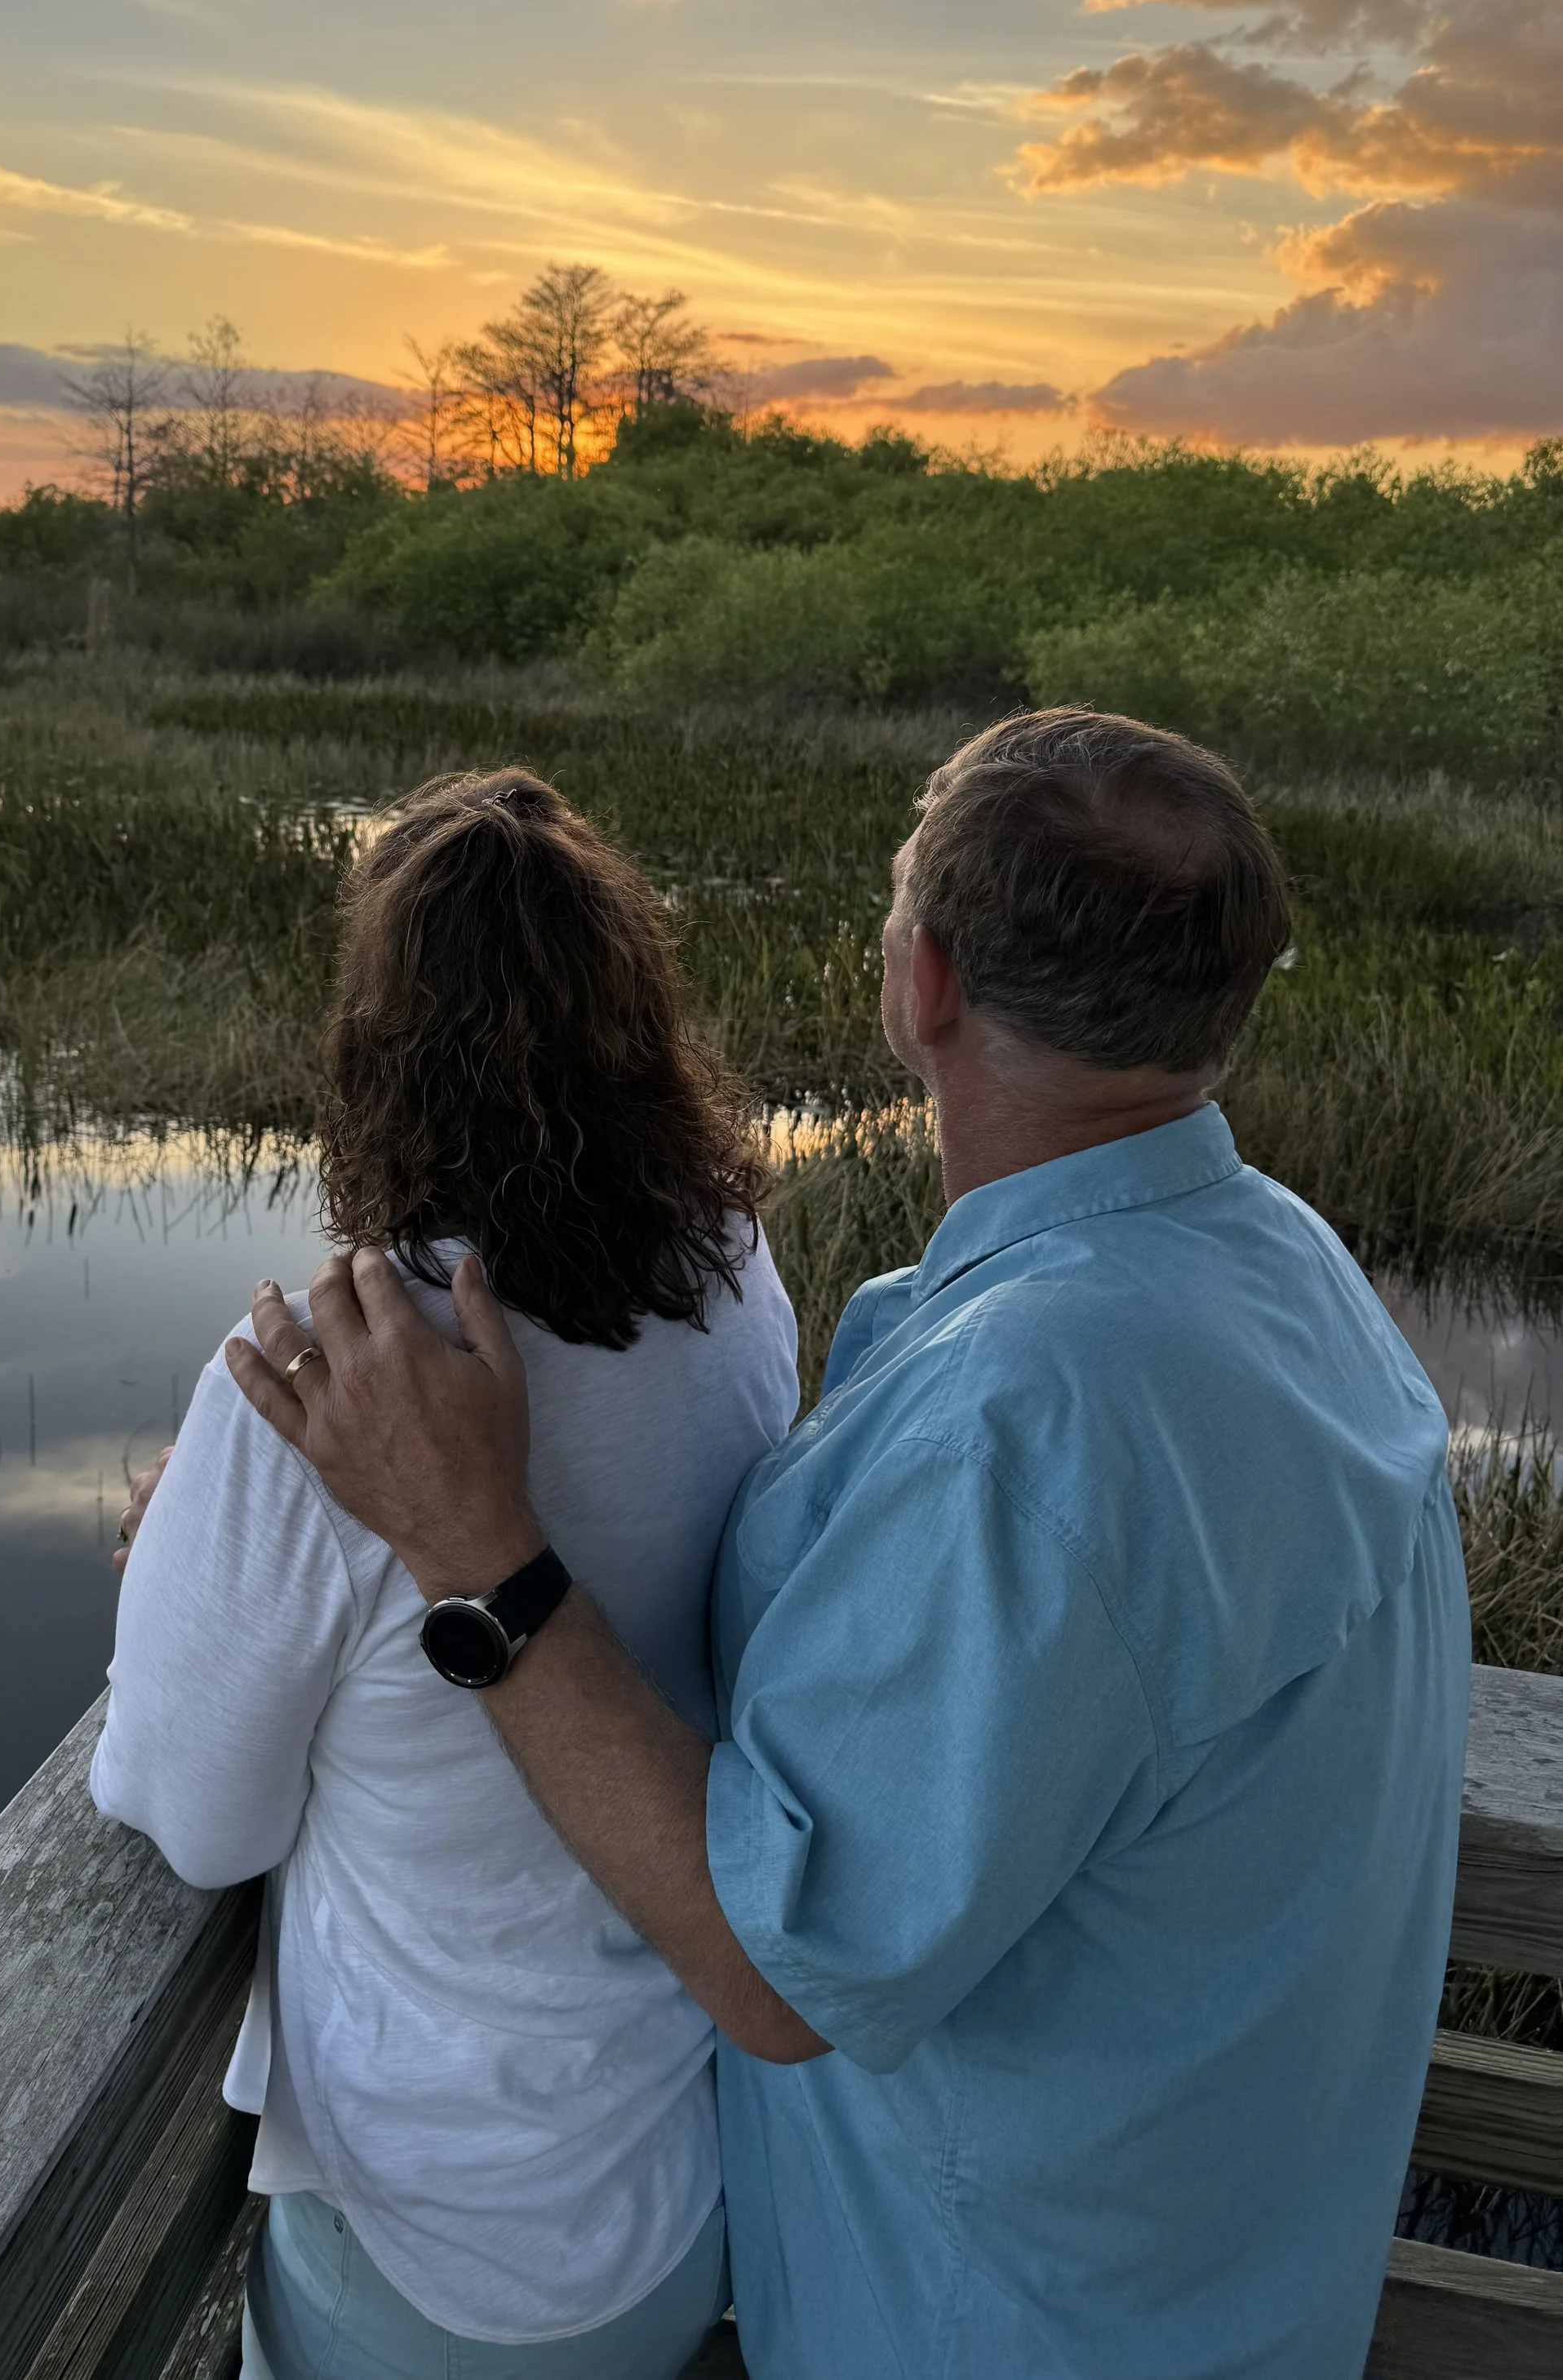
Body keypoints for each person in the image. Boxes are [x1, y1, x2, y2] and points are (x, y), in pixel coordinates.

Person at [229, 709, 1472, 2380]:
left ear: (923, 984)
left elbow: (768, 1971)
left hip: (1004, 2333)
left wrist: (475, 1546)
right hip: (1213, 2295)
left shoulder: (1029, 1428)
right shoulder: (1279, 1274)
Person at [91, 770, 798, 2380]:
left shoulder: (327, 1393)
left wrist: (180, 1553)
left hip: (435, 2242)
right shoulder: (730, 1286)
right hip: (670, 2185)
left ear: (374, 1051)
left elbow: (187, 1816)